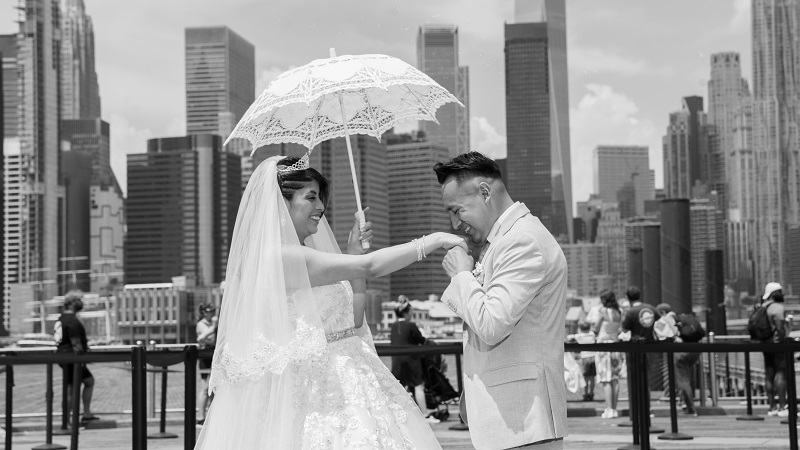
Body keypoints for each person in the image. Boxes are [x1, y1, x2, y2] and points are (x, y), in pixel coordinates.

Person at [195, 155, 465, 449]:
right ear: (282, 203)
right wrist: (432, 241)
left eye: (320, 198)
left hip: (352, 381)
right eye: (310, 197)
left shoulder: (305, 256)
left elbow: (355, 319)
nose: (321, 207)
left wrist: (353, 253)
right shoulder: (279, 256)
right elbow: (371, 267)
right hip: (317, 394)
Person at [437, 152, 568, 449]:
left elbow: (492, 324)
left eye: (457, 210)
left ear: (485, 192)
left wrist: (461, 275)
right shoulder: (508, 239)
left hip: (524, 422)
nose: (454, 223)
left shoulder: (521, 240)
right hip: (517, 421)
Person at [390, 296, 439, 423]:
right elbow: (421, 340)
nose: (411, 315)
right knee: (419, 386)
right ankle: (425, 414)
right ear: (406, 313)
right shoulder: (411, 325)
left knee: (398, 386)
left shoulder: (393, 326)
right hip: (411, 359)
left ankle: (396, 414)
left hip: (396, 360)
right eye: (411, 312)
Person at [54, 291, 97, 424]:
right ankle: (67, 421)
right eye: (79, 300)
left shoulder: (61, 318)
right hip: (72, 358)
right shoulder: (72, 320)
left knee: (87, 382)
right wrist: (82, 360)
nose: (81, 303)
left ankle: (82, 414)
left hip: (64, 356)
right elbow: (76, 343)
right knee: (71, 389)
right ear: (72, 303)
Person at [760, 282, 792, 417]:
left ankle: (772, 407)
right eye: (780, 291)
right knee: (780, 374)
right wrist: (785, 340)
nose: (782, 294)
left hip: (765, 344)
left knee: (769, 375)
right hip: (777, 345)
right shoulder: (777, 307)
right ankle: (783, 407)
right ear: (775, 293)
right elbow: (780, 328)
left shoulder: (763, 307)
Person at [593, 290, 623, 419]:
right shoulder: (618, 312)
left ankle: (609, 409)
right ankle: (614, 409)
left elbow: (596, 328)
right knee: (615, 379)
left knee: (606, 379)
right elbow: (619, 329)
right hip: (615, 347)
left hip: (604, 347)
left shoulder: (603, 311)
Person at [195, 303, 217, 425]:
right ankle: (201, 417)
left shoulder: (213, 324)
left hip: (213, 356)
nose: (212, 313)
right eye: (210, 311)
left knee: (213, 388)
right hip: (205, 356)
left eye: (213, 311)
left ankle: (210, 416)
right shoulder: (201, 324)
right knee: (204, 387)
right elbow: (202, 338)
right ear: (204, 312)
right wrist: (214, 326)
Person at [567, 322, 597, 402]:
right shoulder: (592, 334)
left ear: (580, 329)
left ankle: (586, 393)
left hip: (585, 358)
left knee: (586, 378)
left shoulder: (579, 336)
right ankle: (591, 393)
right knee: (592, 378)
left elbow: (569, 337)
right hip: (593, 357)